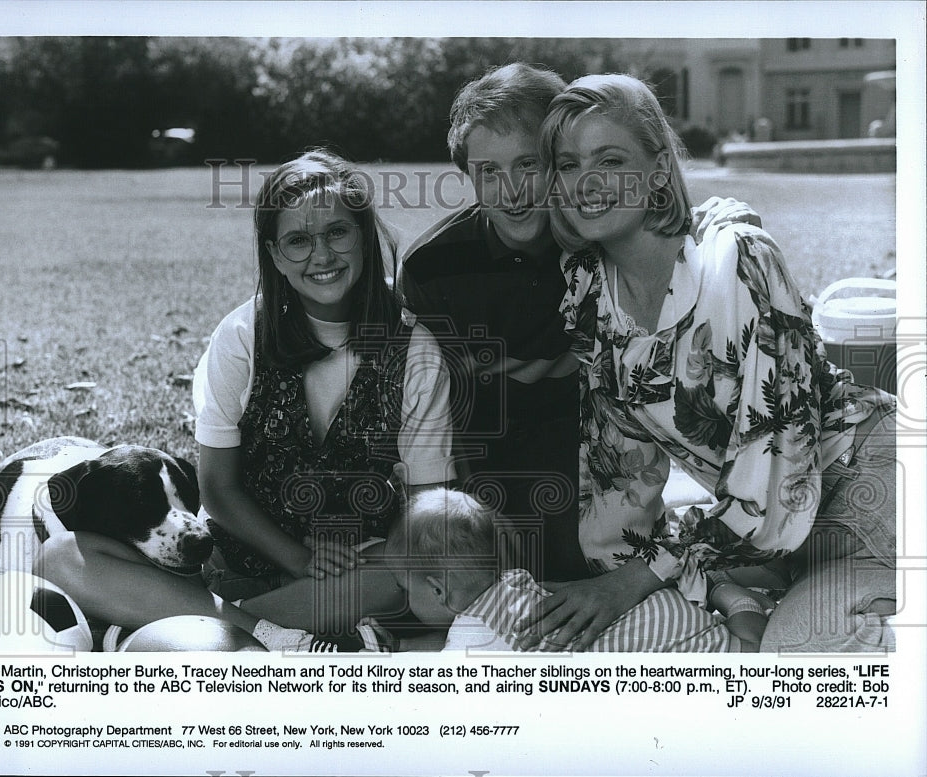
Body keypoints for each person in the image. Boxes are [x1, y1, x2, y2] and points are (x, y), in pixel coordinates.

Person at [528, 73, 896, 652]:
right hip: (773, 538)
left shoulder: (736, 260)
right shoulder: (587, 291)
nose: (587, 183)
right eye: (569, 164)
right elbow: (620, 472)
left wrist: (641, 578)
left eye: (610, 158)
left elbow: (778, 469)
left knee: (799, 660)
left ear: (657, 168)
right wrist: (623, 577)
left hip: (870, 492)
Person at [35, 150, 453, 641]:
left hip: (348, 572)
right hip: (226, 559)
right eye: (298, 240)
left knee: (406, 574)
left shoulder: (415, 350)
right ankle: (272, 636)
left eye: (337, 232)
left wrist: (376, 556)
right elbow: (218, 491)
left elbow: (428, 506)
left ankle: (195, 625)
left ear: (364, 235)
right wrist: (298, 558)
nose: (321, 256)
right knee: (60, 557)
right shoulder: (241, 337)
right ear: (274, 254)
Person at [400, 63, 757, 586]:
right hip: (493, 450)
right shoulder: (432, 267)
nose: (512, 191)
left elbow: (666, 234)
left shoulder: (598, 238)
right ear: (466, 174)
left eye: (529, 165)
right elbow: (431, 407)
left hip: (598, 442)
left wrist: (718, 220)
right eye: (488, 172)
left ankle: (711, 585)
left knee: (600, 561)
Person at [364, 487, 764, 652]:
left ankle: (725, 590)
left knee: (751, 647)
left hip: (692, 650)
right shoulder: (515, 582)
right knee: (740, 627)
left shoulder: (472, 640)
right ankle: (721, 591)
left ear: (437, 590)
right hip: (664, 611)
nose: (405, 598)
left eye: (405, 588)